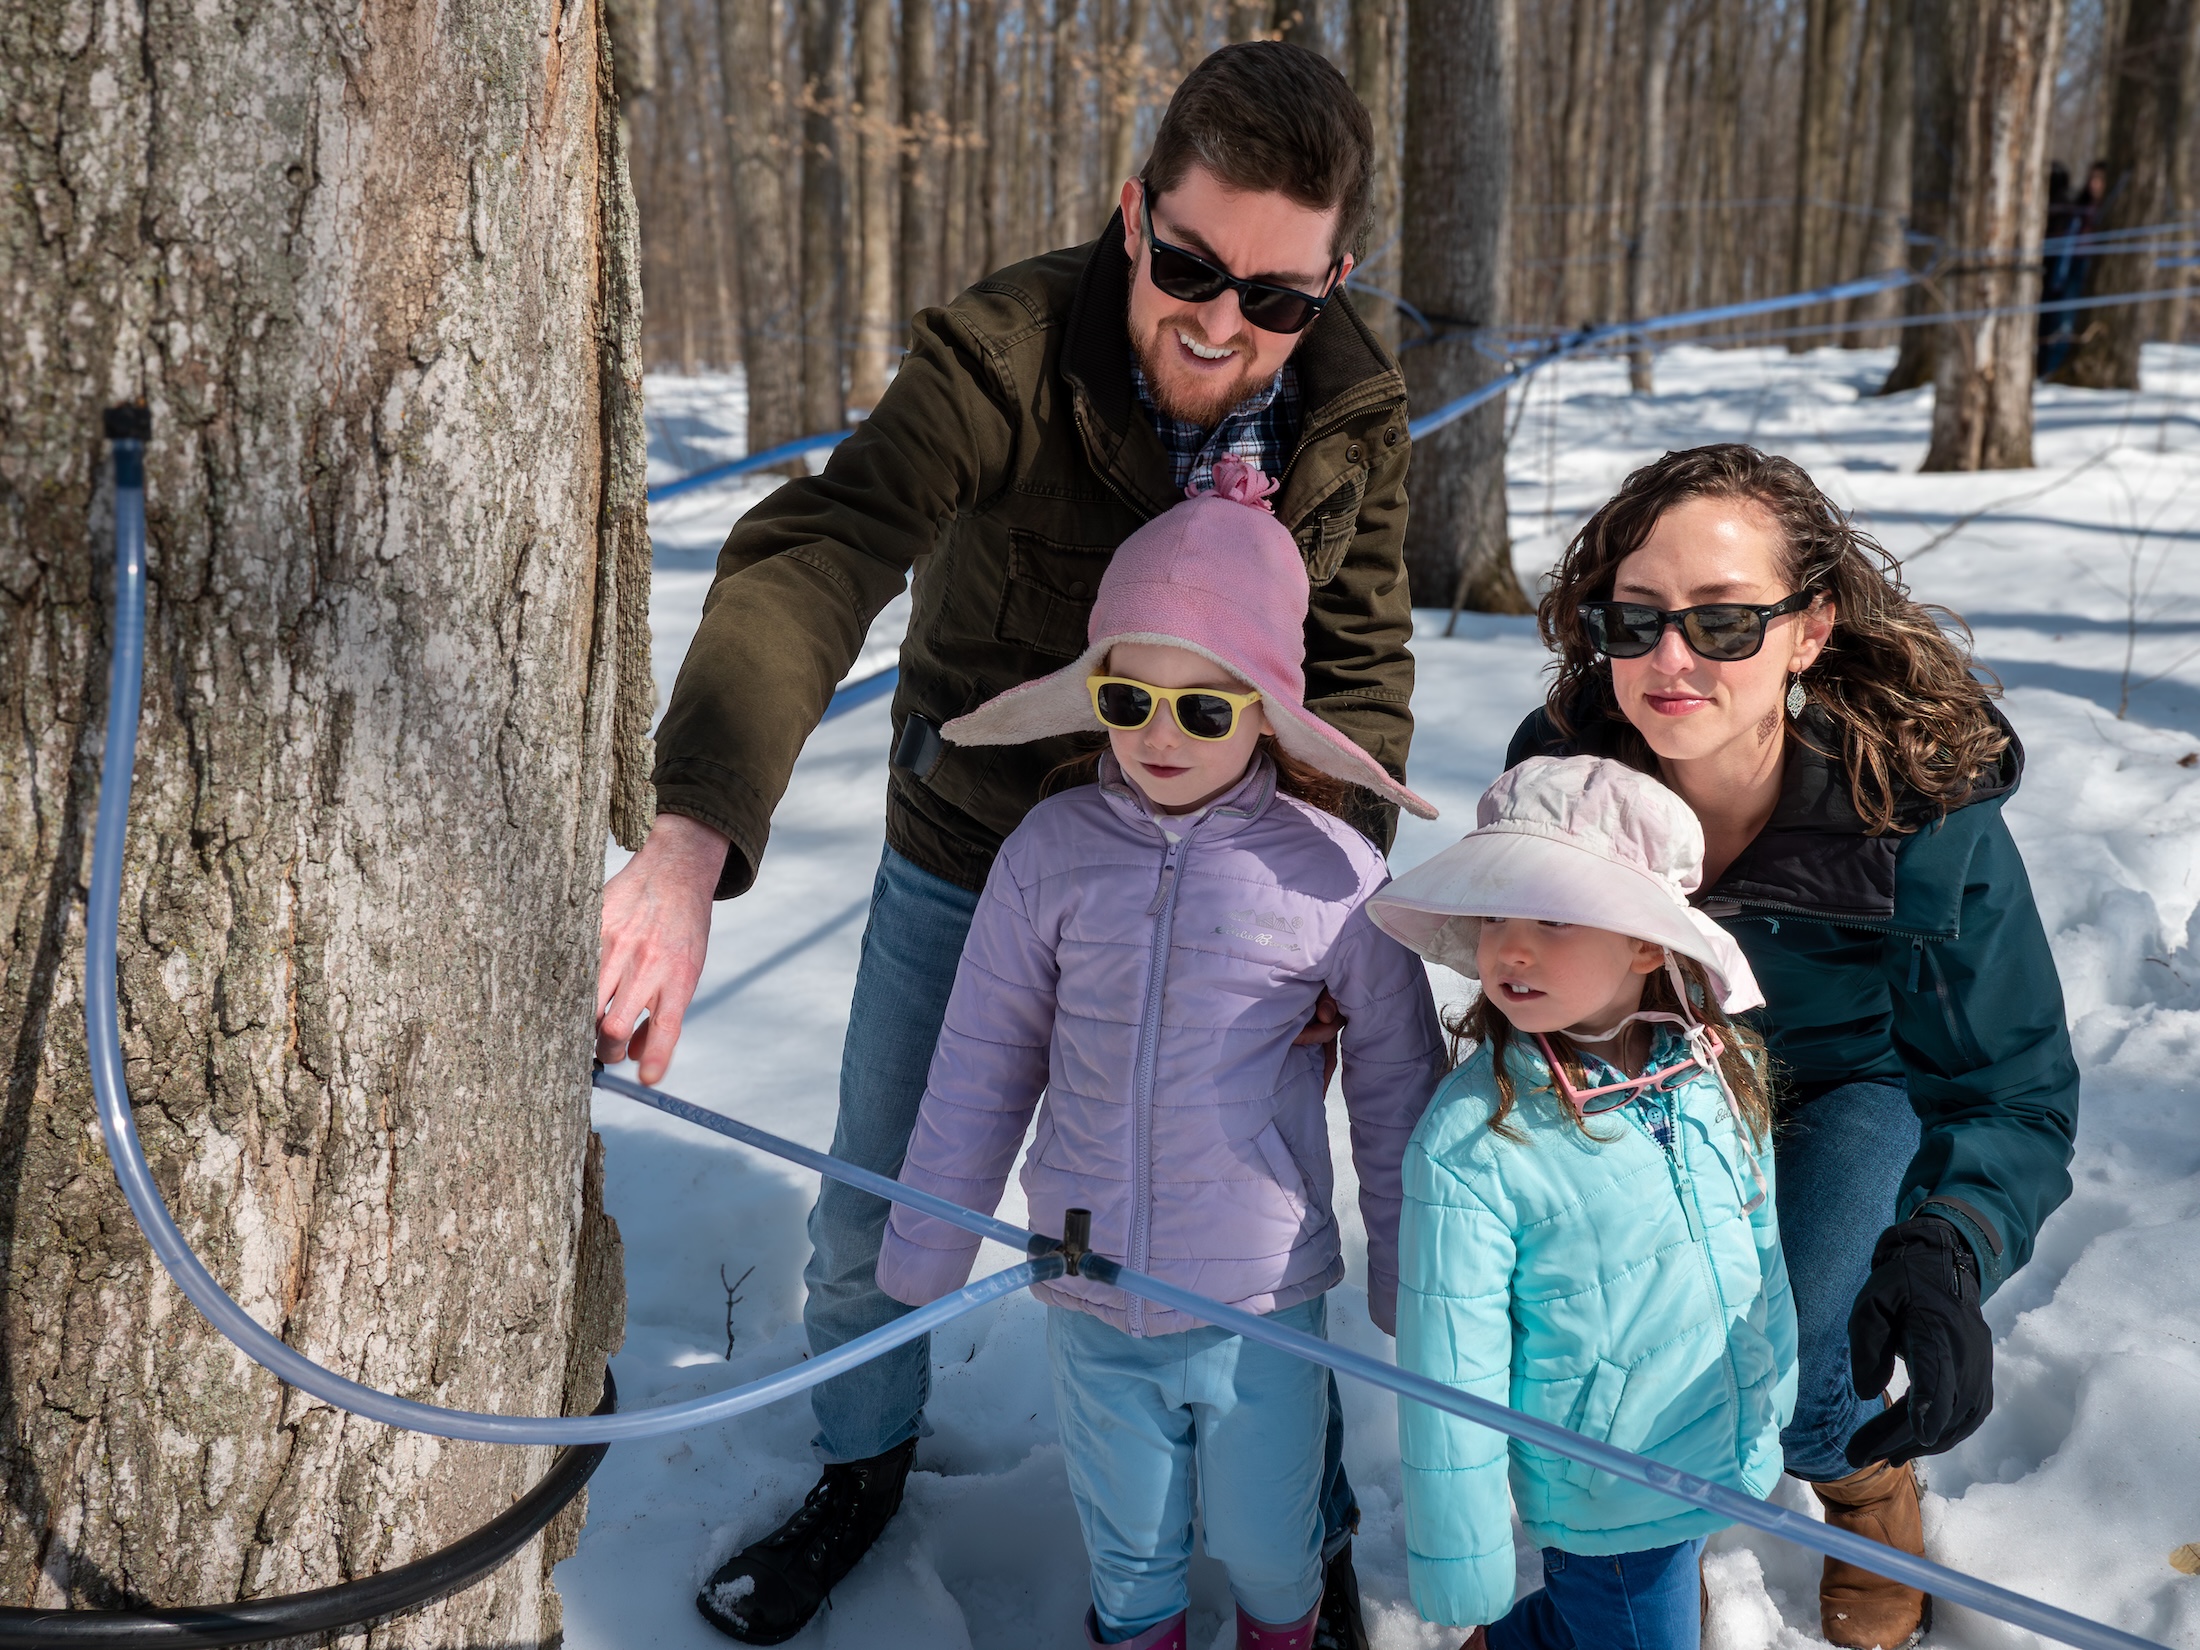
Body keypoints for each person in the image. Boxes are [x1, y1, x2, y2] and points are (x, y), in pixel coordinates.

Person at [595, 40, 1421, 1646]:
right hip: (983, 856)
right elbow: (828, 546)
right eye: (1188, 266)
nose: (1221, 322)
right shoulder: (1007, 352)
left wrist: (1333, 884)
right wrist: (693, 834)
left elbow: (1365, 666)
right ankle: (861, 1457)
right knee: (877, 1196)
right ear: (1135, 217)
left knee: (1248, 1238)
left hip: (1232, 871)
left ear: (1333, 279)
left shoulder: (1348, 409)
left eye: (1275, 297)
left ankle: (1285, 1514)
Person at [1506, 444, 2078, 1649]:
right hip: (1646, 1069)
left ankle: (1856, 1480)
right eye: (1637, 620)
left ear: (1807, 629)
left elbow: (2010, 1085)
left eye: (1724, 624)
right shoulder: (1560, 774)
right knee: (1597, 1343)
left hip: (1843, 1084)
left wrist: (1949, 1247)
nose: (1671, 661)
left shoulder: (1914, 811)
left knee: (1812, 1351)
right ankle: (1611, 1573)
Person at [870, 459, 1447, 1650]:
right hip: (1088, 1286)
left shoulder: (1330, 874)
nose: (1162, 736)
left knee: (1271, 1542)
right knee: (1128, 1546)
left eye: (1204, 707)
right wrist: (927, 1241)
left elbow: (1398, 1086)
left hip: (1261, 1297)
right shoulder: (1050, 849)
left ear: (1268, 713)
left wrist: (1406, 1271)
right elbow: (983, 1057)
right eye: (1132, 703)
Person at [1369, 755, 1796, 1650]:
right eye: (1495, 917)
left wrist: (1771, 1383)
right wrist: (1464, 1559)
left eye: (1554, 919)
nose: (1510, 948)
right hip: (1605, 1484)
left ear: (1647, 942)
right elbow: (1451, 1370)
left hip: (1705, 1429)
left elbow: (1760, 1243)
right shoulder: (1479, 1140)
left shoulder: (1719, 1068)